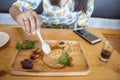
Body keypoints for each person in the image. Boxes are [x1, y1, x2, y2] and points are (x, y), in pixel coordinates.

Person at [9, 0, 94, 34]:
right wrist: (18, 15)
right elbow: (15, 8)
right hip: (44, 34)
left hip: (68, 37)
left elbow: (82, 27)